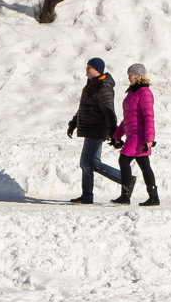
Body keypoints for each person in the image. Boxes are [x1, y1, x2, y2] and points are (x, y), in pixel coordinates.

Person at [66, 57, 120, 204]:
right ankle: (87, 195)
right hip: (90, 128)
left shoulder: (102, 87)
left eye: (89, 67)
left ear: (97, 70)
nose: (86, 69)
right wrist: (73, 123)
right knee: (90, 163)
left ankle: (124, 179)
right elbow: (84, 107)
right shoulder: (91, 85)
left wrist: (114, 133)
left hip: (97, 128)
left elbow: (109, 111)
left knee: (88, 162)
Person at [111, 63, 160, 206]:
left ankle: (125, 196)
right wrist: (117, 135)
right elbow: (128, 118)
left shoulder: (144, 93)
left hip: (139, 137)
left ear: (138, 76)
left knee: (124, 160)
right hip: (132, 134)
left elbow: (149, 117)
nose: (129, 78)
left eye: (131, 76)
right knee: (144, 164)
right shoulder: (132, 92)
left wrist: (149, 139)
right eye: (128, 76)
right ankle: (153, 197)